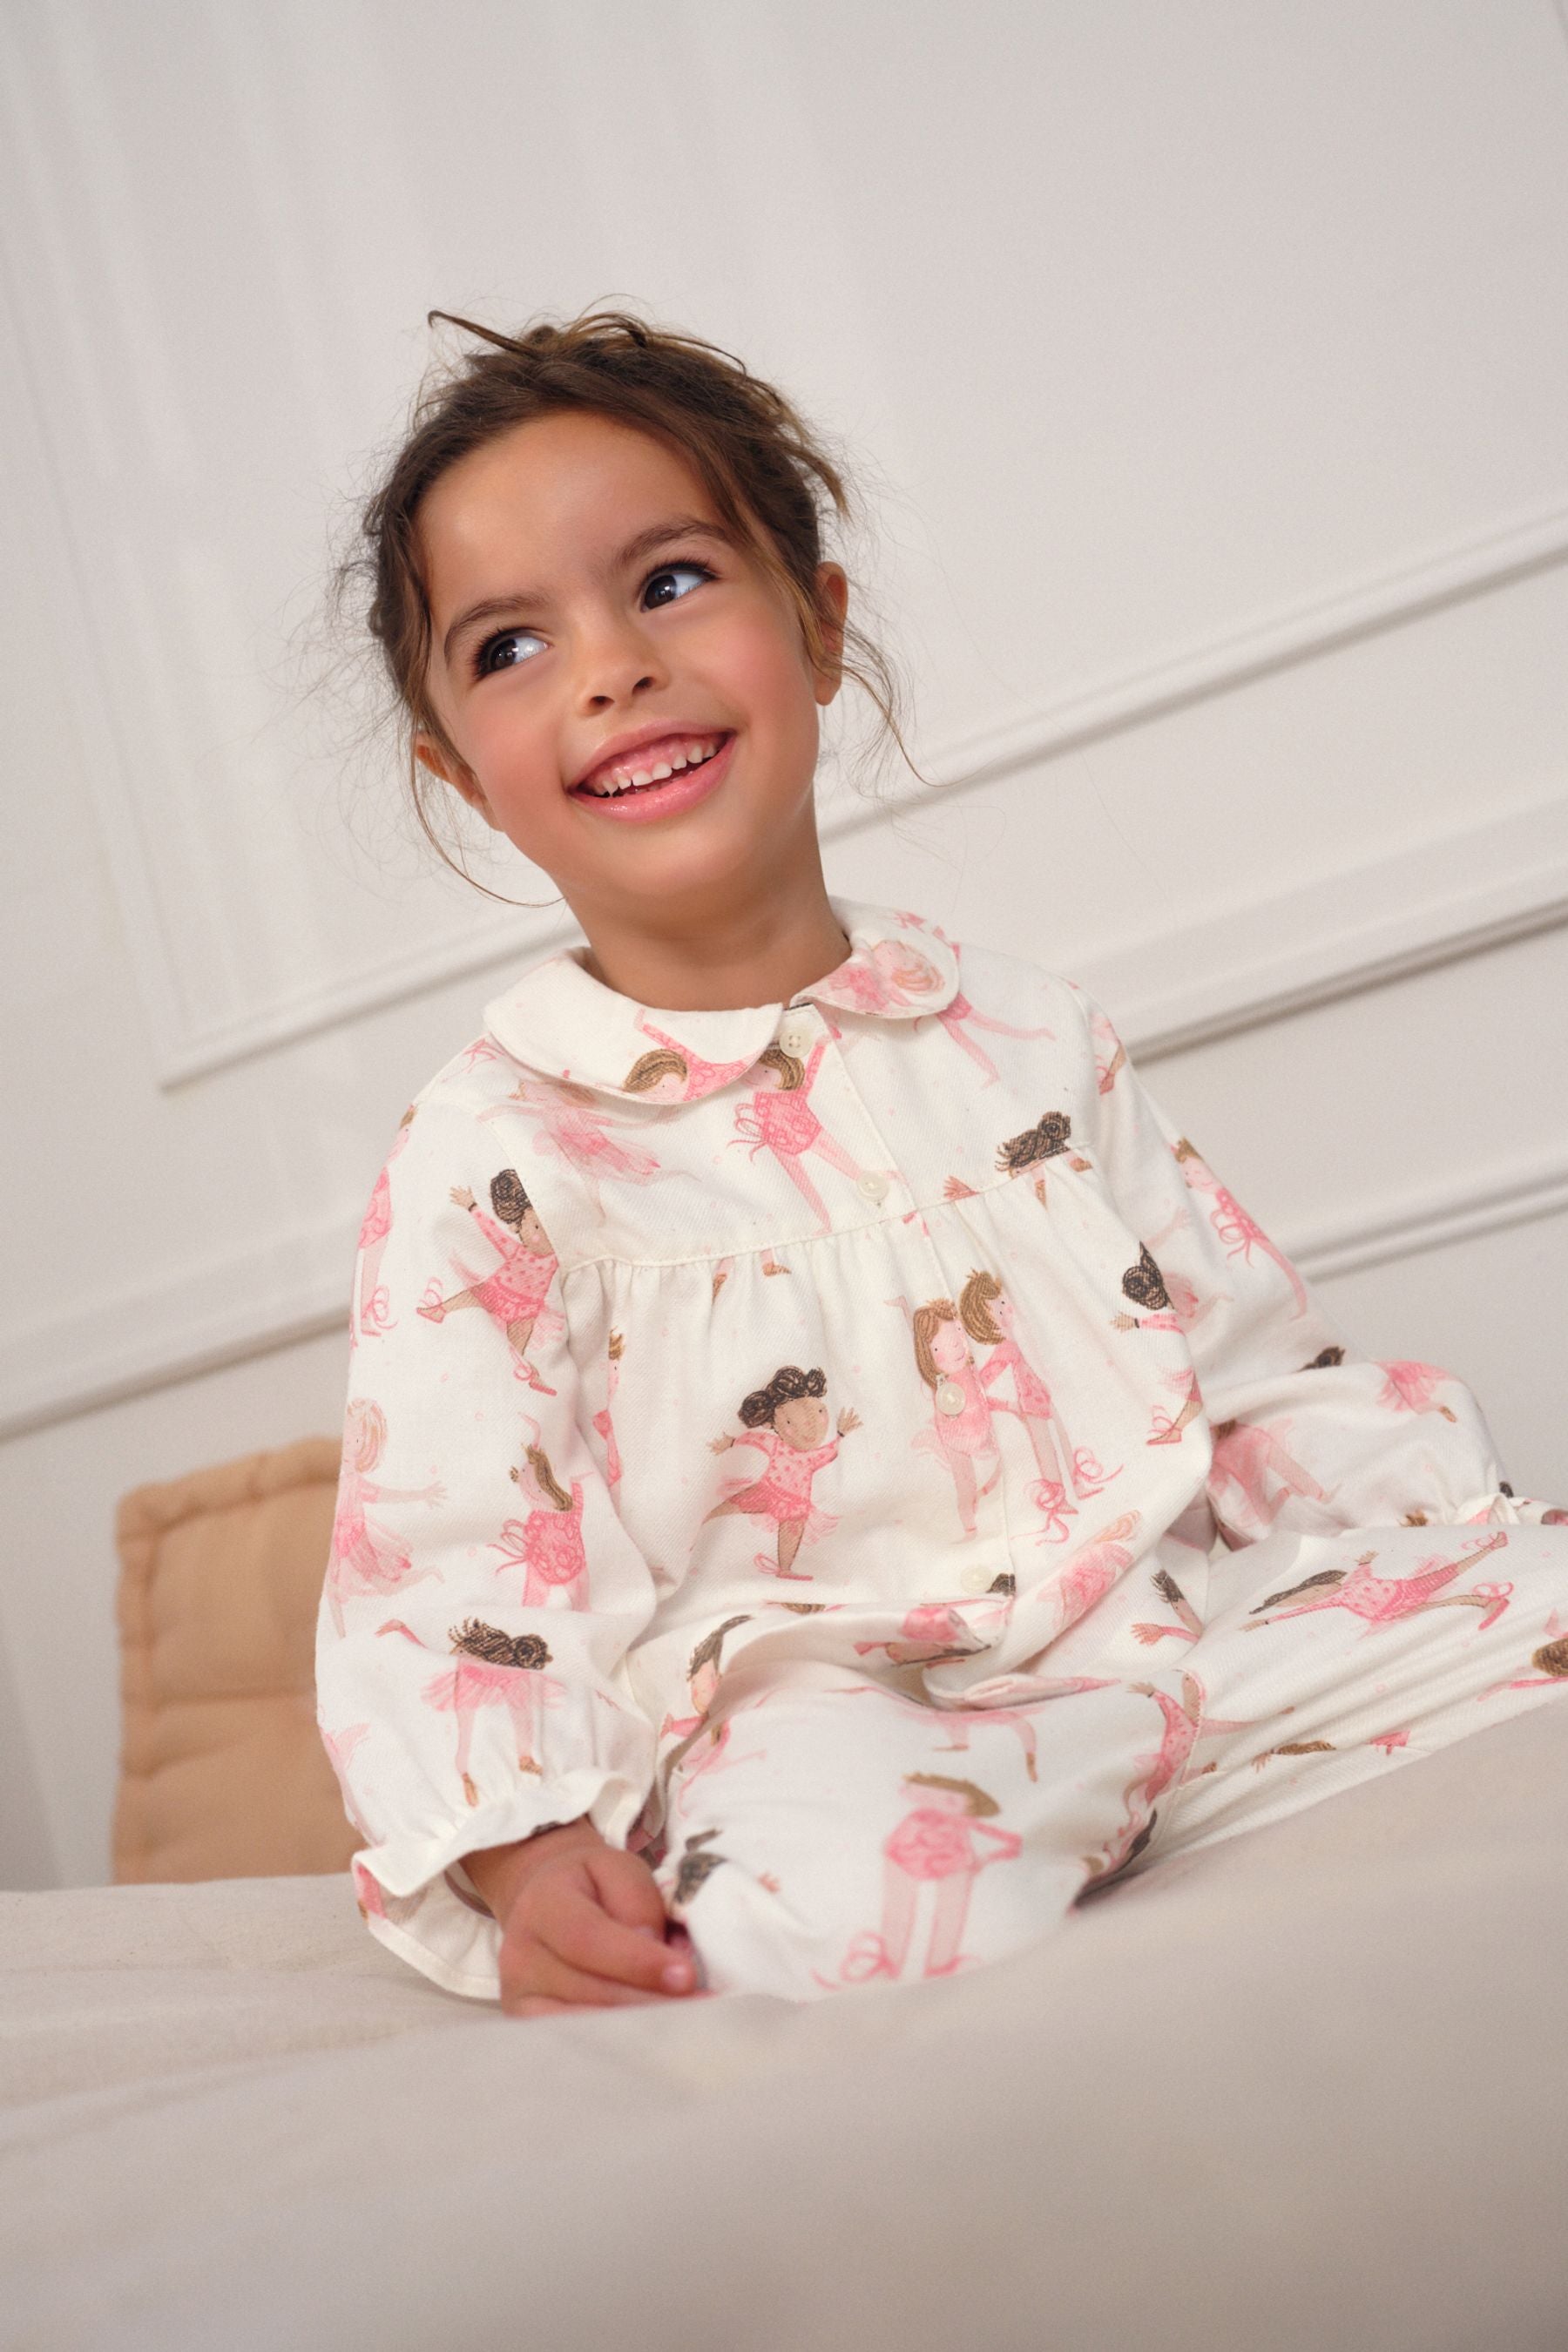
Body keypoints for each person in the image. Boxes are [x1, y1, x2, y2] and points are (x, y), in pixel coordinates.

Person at [315, 308, 1568, 2017]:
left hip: (1192, 1641)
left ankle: (1161, 1818)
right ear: (460, 773)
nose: (609, 668)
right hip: (846, 1724)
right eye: (511, 645)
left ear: (819, 626)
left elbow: (1247, 1379)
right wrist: (524, 1855)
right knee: (819, 1908)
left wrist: (1443, 1540)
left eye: (671, 581)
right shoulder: (499, 1155)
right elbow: (451, 1566)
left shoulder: (1029, 1035)